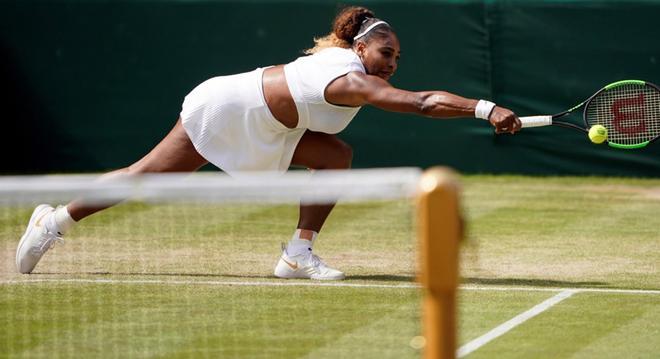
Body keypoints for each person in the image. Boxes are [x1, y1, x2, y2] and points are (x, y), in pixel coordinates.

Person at [16, 6, 521, 280]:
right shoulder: (351, 81)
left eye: (397, 56)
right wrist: (485, 108)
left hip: (273, 126)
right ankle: (53, 221)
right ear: (361, 47)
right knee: (144, 177)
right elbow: (423, 102)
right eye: (385, 53)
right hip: (230, 109)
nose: (392, 62)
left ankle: (297, 255)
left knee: (336, 157)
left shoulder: (354, 69)